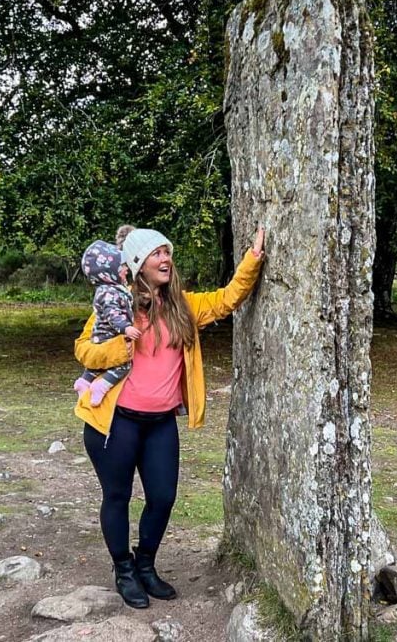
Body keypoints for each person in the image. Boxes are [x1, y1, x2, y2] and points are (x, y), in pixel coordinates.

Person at [73, 225, 265, 609]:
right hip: (116, 421)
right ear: (138, 263)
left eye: (167, 252)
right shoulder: (116, 304)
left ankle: (145, 565)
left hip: (160, 422)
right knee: (117, 496)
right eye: (157, 253)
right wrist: (122, 344)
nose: (166, 259)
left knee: (162, 497)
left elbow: (227, 299)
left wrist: (253, 258)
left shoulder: (183, 306)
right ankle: (123, 570)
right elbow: (84, 352)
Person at [73, 240, 143, 406]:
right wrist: (126, 328)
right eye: (122, 267)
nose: (126, 269)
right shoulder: (109, 292)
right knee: (123, 366)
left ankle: (84, 382)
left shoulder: (112, 289)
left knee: (96, 367)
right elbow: (113, 314)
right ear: (109, 272)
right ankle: (101, 386)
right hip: (107, 335)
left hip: (103, 335)